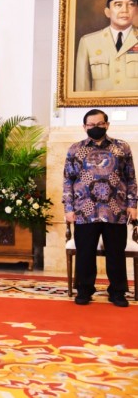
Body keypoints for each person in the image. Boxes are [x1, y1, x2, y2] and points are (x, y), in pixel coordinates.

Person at [63, 109, 136, 308]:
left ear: (107, 125)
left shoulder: (122, 148)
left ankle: (118, 292)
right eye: (91, 125)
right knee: (85, 252)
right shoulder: (75, 149)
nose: (96, 128)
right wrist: (69, 208)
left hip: (115, 209)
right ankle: (85, 290)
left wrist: (133, 204)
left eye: (100, 124)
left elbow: (130, 179)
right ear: (84, 127)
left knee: (116, 253)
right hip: (84, 210)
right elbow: (68, 180)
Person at [75, 0, 138, 92]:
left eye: (131, 4)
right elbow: (82, 88)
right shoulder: (88, 42)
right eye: (118, 5)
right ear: (107, 12)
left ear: (136, 11)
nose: (124, 10)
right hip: (100, 107)